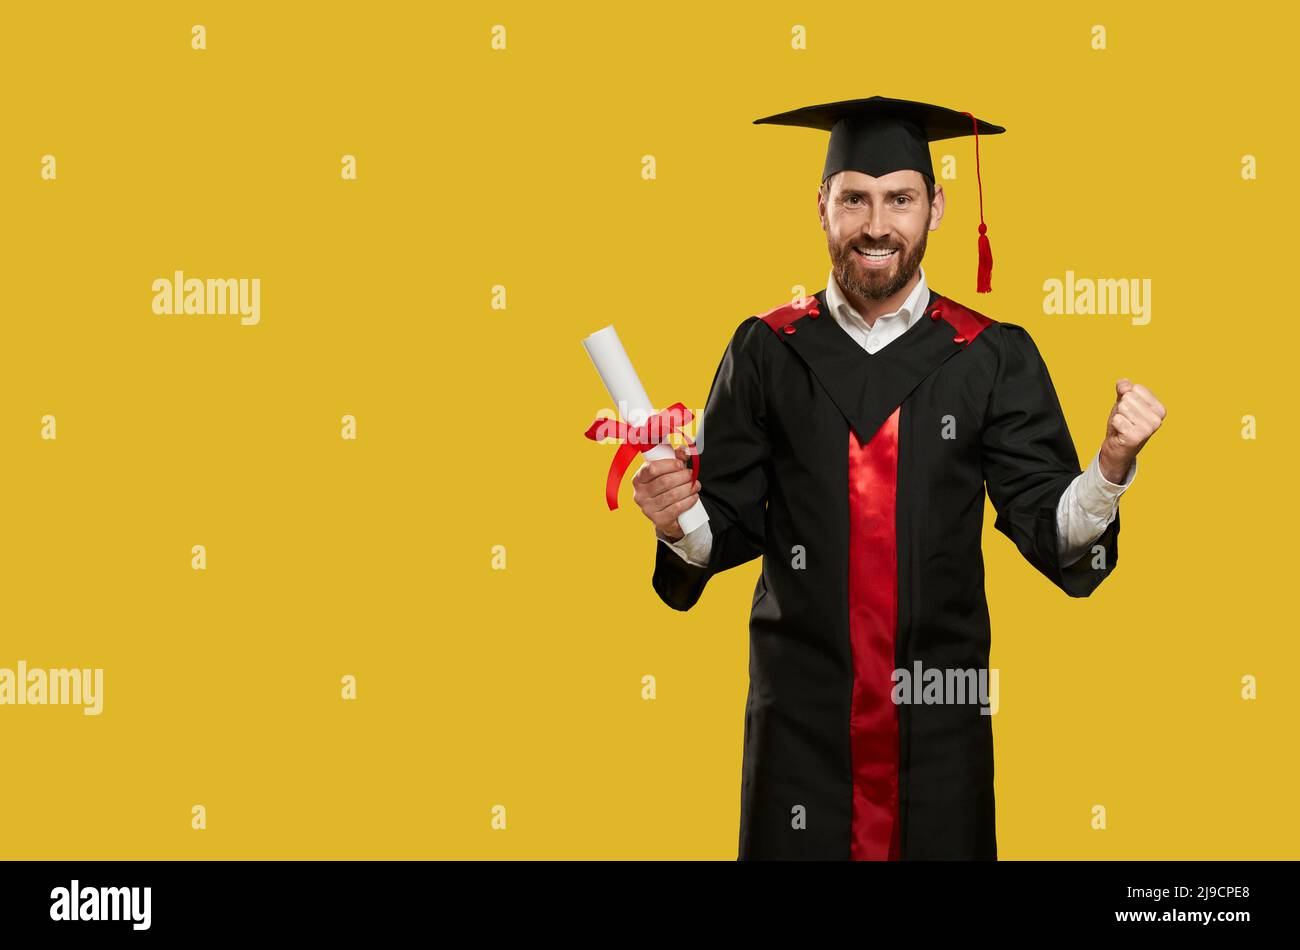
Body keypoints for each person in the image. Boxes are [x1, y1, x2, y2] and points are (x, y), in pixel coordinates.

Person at [633, 96, 1166, 860]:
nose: (876, 224)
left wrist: (1111, 468)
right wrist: (674, 518)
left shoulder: (990, 355)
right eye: (854, 198)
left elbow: (1050, 527)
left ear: (936, 208)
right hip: (801, 727)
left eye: (900, 199)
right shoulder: (766, 348)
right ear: (822, 206)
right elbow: (726, 527)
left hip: (938, 723)